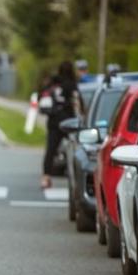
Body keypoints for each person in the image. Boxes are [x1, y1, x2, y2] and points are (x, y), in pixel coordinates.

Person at [42, 60, 81, 189]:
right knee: (76, 149)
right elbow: (77, 103)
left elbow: (42, 94)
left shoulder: (54, 83)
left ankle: (46, 178)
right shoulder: (72, 85)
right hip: (68, 122)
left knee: (51, 150)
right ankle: (75, 176)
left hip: (53, 121)